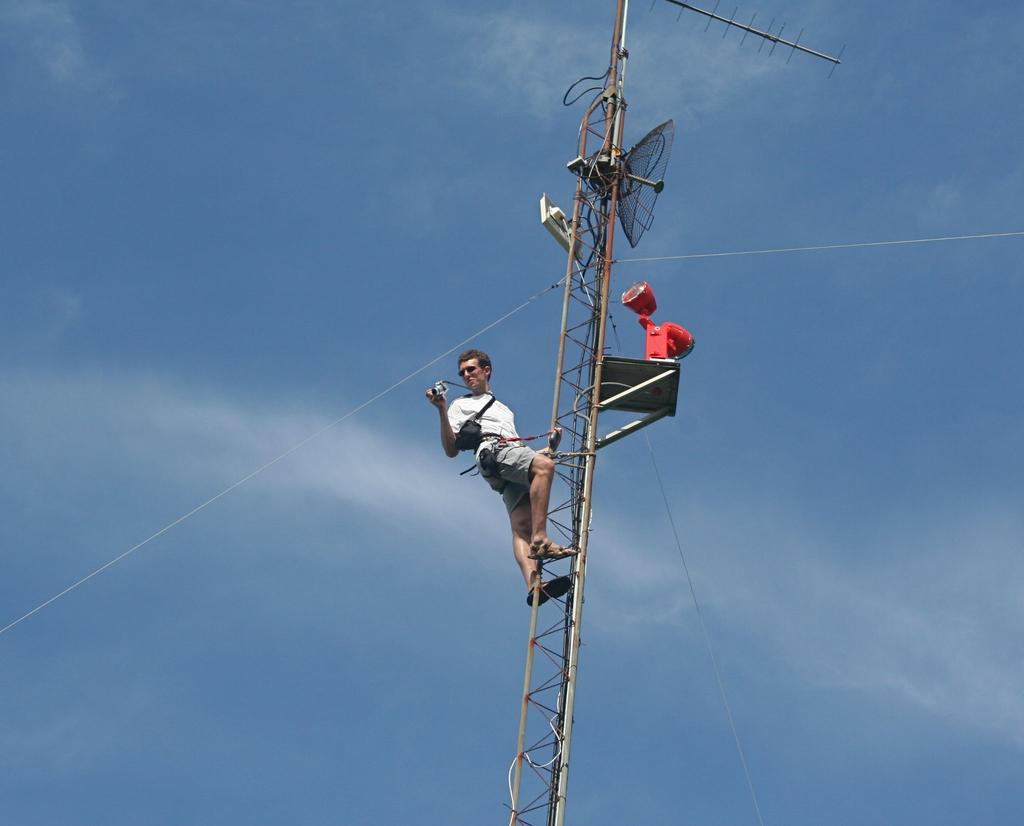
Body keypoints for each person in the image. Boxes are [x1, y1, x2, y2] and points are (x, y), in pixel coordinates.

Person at [426, 349, 577, 606]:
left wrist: (549, 448)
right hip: (493, 453)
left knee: (521, 527)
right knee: (544, 468)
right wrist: (441, 409)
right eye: (462, 373)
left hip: (501, 464)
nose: (466, 375)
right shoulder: (460, 405)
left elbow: (517, 452)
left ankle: (535, 586)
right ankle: (541, 539)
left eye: (471, 369)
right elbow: (451, 450)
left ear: (486, 370)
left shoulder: (504, 410)